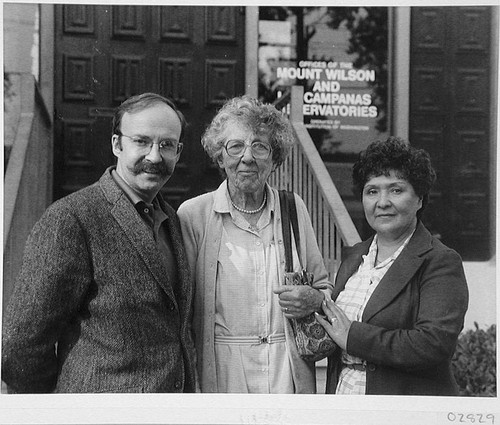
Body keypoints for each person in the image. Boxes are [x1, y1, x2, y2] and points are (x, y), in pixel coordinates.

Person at [2, 93, 197, 393]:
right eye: (142, 141)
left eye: (166, 145)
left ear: (179, 152)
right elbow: (19, 345)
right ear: (117, 144)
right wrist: (60, 409)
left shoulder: (172, 220)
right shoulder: (71, 218)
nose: (155, 157)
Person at [177, 95, 333, 393]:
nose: (247, 157)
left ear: (274, 159)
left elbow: (323, 287)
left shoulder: (292, 209)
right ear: (220, 157)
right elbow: (182, 311)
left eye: (260, 147)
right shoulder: (194, 215)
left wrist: (313, 298)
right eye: (235, 146)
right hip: (223, 370)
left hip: (286, 368)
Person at [315, 137, 469, 396]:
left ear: (419, 198)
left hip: (403, 410)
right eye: (372, 191)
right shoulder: (355, 257)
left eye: (396, 190)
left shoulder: (440, 261)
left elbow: (433, 344)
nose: (382, 201)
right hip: (344, 401)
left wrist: (353, 336)